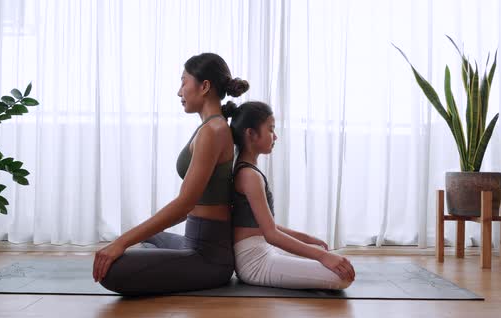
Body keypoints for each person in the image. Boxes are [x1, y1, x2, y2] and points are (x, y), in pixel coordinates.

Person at [93, 53, 249, 295]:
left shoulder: (214, 131)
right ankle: (161, 261)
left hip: (209, 257)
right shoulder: (209, 128)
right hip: (193, 241)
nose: (179, 92)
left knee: (112, 270)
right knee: (150, 238)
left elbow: (183, 206)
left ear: (204, 86)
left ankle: (168, 264)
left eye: (183, 82)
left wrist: (120, 242)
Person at [224, 101, 355, 290]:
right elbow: (271, 234)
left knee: (324, 253)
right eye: (270, 129)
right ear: (251, 134)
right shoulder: (248, 175)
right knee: (340, 277)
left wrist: (307, 238)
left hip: (261, 249)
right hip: (253, 261)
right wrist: (323, 257)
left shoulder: (249, 172)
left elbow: (267, 225)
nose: (275, 136)